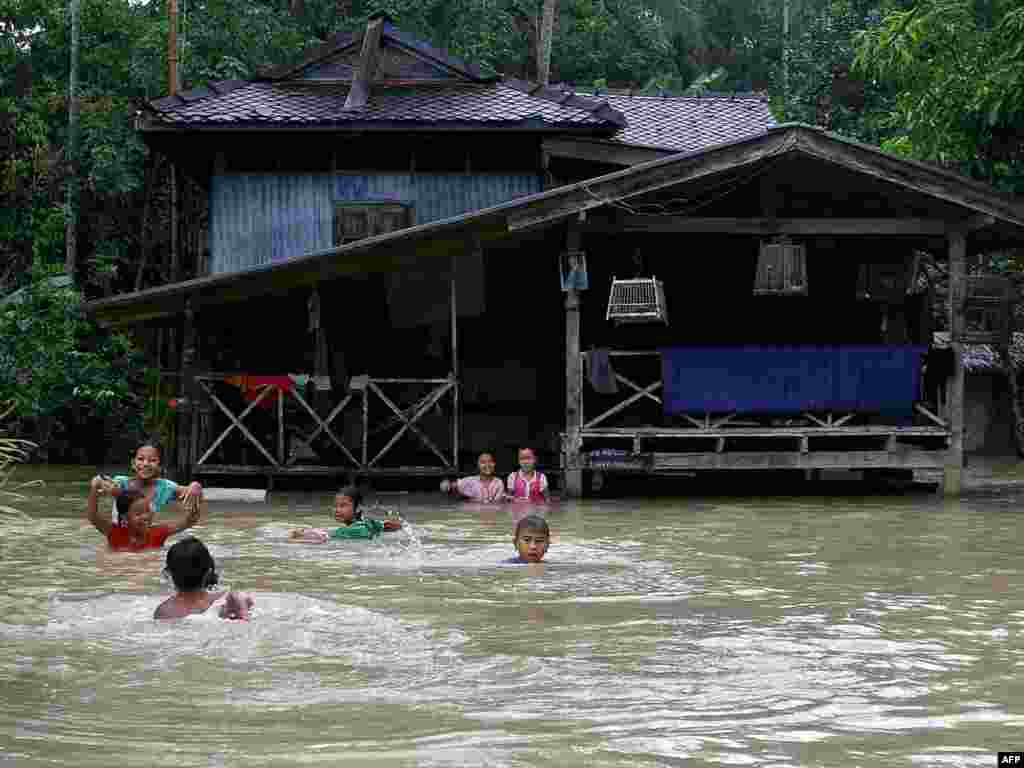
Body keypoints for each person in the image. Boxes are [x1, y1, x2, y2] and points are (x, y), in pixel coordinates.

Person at [90, 441, 204, 526]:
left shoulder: (165, 487)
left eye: (152, 460)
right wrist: (97, 483)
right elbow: (102, 483)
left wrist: (196, 486)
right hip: (120, 532)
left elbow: (192, 493)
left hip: (145, 533)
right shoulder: (121, 482)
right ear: (133, 464)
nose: (146, 464)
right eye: (140, 459)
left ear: (159, 466)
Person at [154, 537, 254, 620]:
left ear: (168, 573)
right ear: (209, 572)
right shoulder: (227, 600)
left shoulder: (163, 612)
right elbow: (244, 600)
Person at [87, 480, 201, 552]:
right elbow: (93, 517)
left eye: (147, 511)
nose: (145, 516)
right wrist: (94, 490)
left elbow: (190, 522)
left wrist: (195, 490)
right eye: (139, 513)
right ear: (125, 517)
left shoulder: (158, 533)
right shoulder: (114, 532)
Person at [289, 485, 402, 543]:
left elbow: (323, 538)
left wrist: (297, 538)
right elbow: (391, 525)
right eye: (336, 505)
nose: (337, 510)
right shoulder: (369, 523)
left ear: (358, 508)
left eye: (343, 506)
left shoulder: (349, 530)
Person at [441, 452, 505, 503]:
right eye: (483, 462)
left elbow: (496, 504)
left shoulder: (499, 483)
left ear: (494, 464)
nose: (487, 465)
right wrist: (446, 485)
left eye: (490, 461)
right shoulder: (470, 481)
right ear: (478, 466)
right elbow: (451, 485)